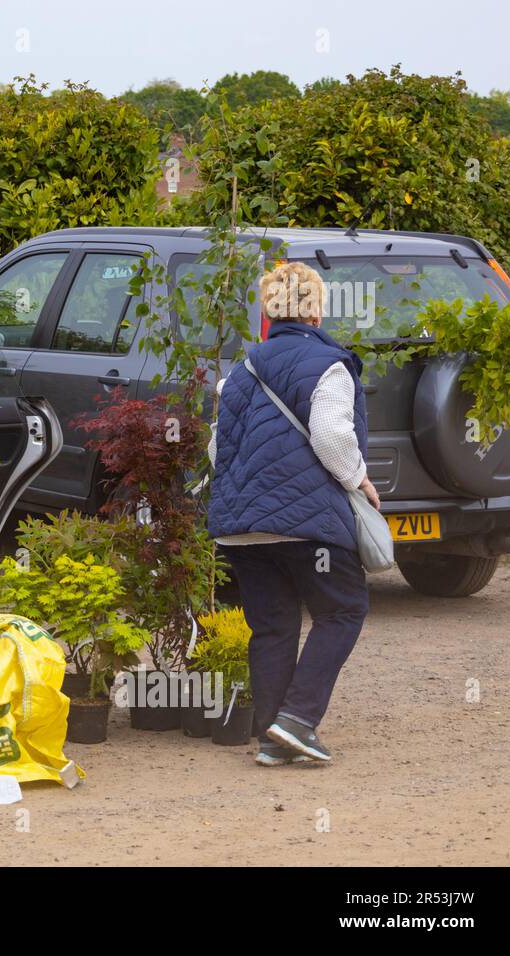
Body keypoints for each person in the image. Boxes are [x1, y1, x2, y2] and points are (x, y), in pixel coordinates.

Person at [207, 261, 379, 766]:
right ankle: (298, 719)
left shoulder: (240, 372)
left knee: (273, 626)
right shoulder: (328, 363)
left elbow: (219, 451)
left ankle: (271, 738)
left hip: (244, 528)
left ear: (267, 309)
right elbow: (329, 435)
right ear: (317, 308)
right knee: (343, 609)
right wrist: (359, 480)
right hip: (309, 527)